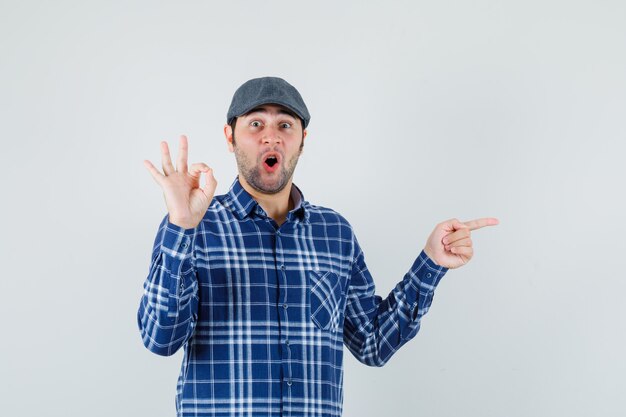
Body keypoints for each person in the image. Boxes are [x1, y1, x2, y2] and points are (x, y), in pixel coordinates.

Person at [138, 76, 499, 417]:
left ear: (302, 139)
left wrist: (431, 262)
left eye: (285, 125)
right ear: (229, 137)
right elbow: (160, 338)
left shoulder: (335, 234)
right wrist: (181, 226)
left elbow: (373, 344)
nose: (271, 137)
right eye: (255, 124)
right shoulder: (193, 226)